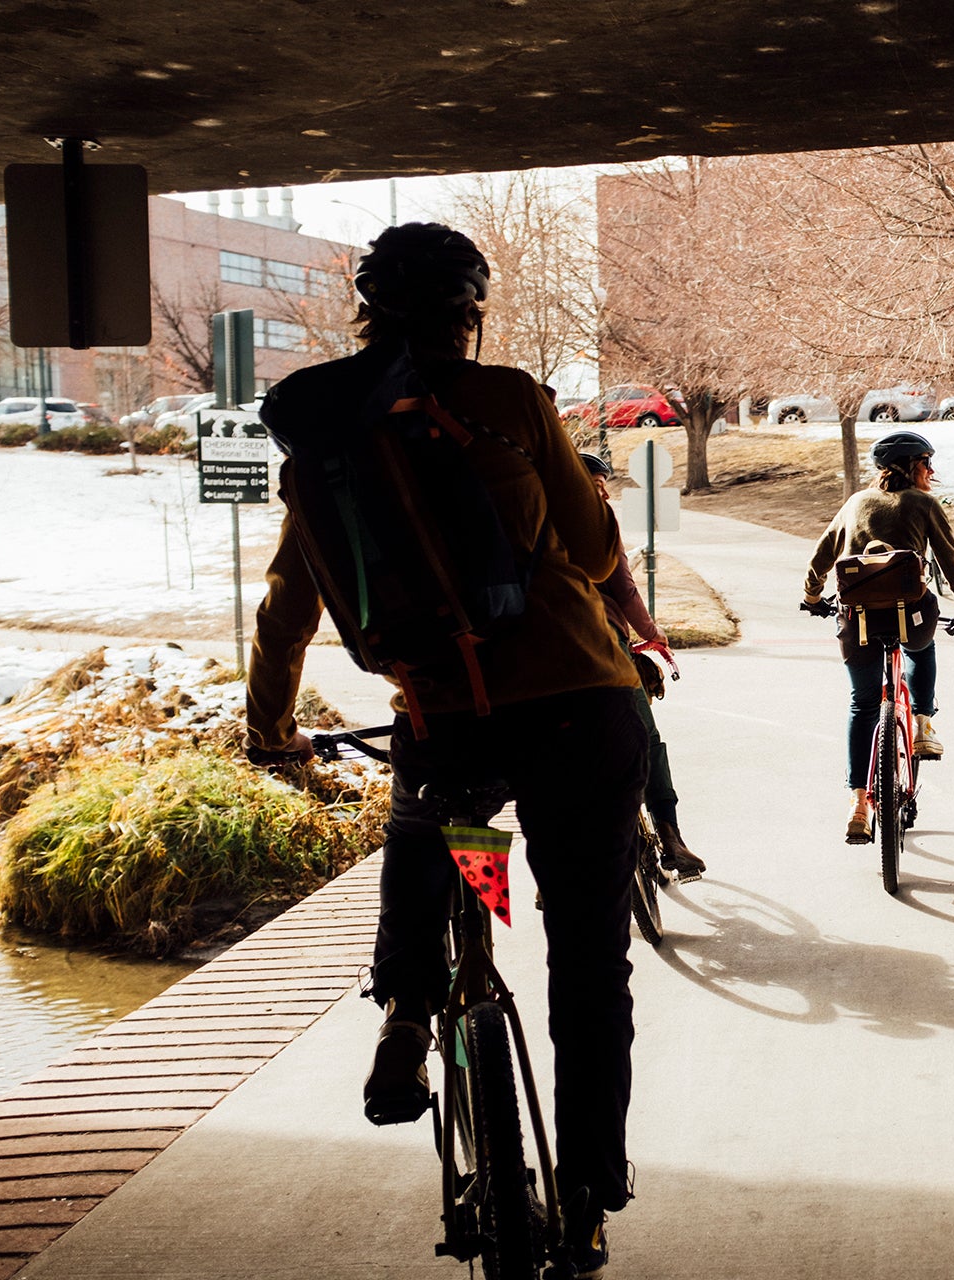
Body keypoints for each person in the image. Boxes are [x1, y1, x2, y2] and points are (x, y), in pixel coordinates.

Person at [243, 222, 641, 1277]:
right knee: (588, 956)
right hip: (576, 716)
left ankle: (413, 1006)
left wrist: (270, 729)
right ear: (472, 310)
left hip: (449, 724)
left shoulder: (331, 438)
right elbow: (597, 550)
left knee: (446, 831)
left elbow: (286, 607)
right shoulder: (508, 398)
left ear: (365, 312)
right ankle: (591, 1190)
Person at [801, 430, 954, 842]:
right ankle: (922, 723)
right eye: (926, 463)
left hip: (858, 622)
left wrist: (812, 596)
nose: (932, 471)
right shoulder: (924, 504)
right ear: (910, 467)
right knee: (923, 646)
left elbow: (821, 555)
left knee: (862, 704)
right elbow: (951, 563)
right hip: (912, 617)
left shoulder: (855, 503)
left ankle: (859, 804)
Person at [580, 449, 707, 881]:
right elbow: (623, 584)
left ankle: (557, 868)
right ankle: (671, 837)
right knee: (645, 738)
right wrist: (653, 632)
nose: (605, 494)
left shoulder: (528, 521)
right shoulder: (594, 521)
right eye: (600, 486)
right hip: (605, 646)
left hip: (545, 657)